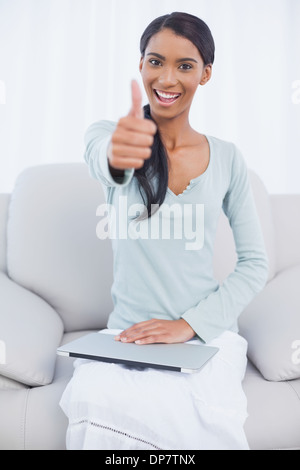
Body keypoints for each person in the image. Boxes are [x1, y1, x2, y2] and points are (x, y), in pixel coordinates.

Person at [60, 12, 269, 450]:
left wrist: (188, 325)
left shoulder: (228, 159)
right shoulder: (111, 136)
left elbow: (255, 264)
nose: (167, 77)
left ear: (206, 74)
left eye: (185, 65)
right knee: (98, 407)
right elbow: (108, 160)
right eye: (155, 61)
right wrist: (121, 152)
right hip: (126, 338)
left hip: (206, 338)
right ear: (140, 65)